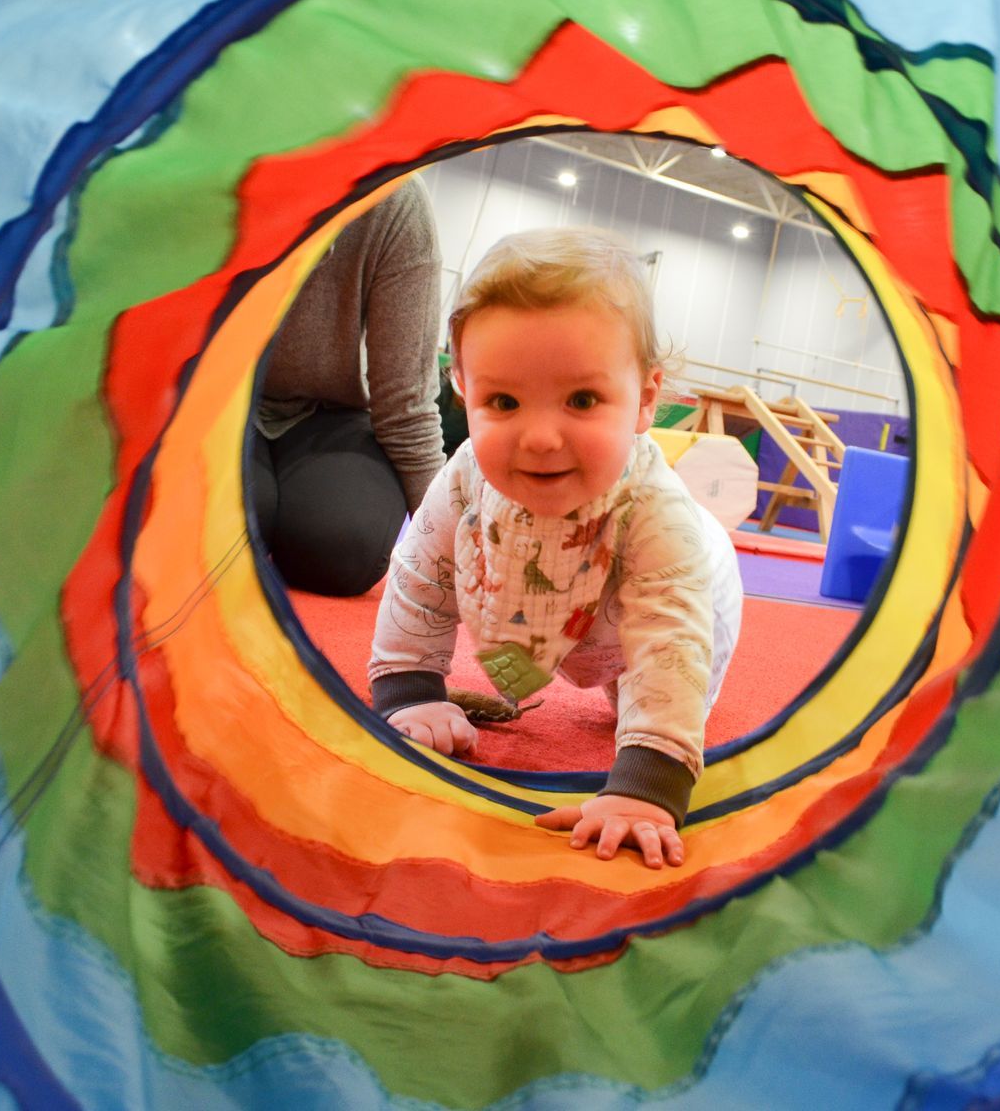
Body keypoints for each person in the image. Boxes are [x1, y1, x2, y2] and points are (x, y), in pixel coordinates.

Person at [367, 227, 743, 869]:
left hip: (686, 599)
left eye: (582, 400)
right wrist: (411, 690)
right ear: (463, 388)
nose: (540, 437)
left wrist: (646, 788)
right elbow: (421, 574)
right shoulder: (466, 474)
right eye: (504, 401)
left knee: (639, 705)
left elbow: (671, 642)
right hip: (538, 595)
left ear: (646, 399)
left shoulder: (656, 513)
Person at [248, 177, 445, 596]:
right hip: (218, 401)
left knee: (344, 545)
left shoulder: (396, 204)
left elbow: (406, 402)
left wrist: (446, 544)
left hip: (329, 414)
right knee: (231, 521)